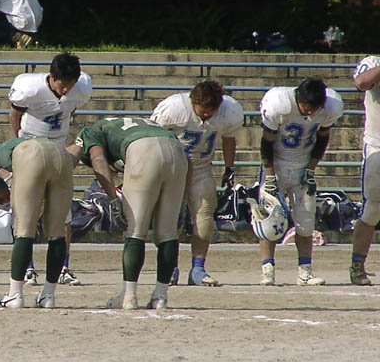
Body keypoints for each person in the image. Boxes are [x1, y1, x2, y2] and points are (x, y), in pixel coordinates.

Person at [67, 117, 188, 309]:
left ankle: (129, 296)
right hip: (177, 151)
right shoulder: (134, 125)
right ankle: (160, 296)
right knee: (168, 232)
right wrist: (184, 198)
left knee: (135, 230)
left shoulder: (91, 132)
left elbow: (98, 160)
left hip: (142, 151)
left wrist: (113, 199)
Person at [8, 52, 92, 286]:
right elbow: (14, 114)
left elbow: (71, 109)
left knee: (63, 213)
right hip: (31, 149)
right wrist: (18, 144)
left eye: (70, 85)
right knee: (26, 212)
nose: (65, 90)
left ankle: (63, 266)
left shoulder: (81, 88)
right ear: (51, 77)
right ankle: (27, 268)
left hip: (57, 150)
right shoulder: (30, 88)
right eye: (62, 84)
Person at [151, 81, 244, 286]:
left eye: (211, 110)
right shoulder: (175, 108)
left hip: (201, 169)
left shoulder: (228, 111)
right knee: (170, 221)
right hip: (173, 170)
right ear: (193, 102)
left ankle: (198, 268)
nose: (206, 114)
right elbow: (152, 137)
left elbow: (229, 139)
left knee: (204, 220)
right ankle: (170, 267)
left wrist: (229, 168)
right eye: (203, 110)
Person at [0, 136, 74, 308]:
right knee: (57, 232)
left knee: (24, 230)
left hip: (30, 154)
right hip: (61, 154)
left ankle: (14, 294)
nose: (5, 199)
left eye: (0, 200)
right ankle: (48, 295)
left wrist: (5, 175)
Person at [256, 78, 343, 286]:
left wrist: (311, 169)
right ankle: (267, 270)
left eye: (314, 108)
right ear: (298, 99)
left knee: (305, 223)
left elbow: (323, 139)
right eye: (306, 106)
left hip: (303, 167)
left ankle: (305, 272)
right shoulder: (279, 104)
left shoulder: (329, 108)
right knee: (270, 221)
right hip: (277, 165)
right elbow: (266, 142)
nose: (309, 112)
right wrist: (270, 176)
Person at [349, 56, 380, 285]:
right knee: (372, 211)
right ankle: (357, 265)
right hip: (377, 146)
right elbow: (361, 83)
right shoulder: (373, 63)